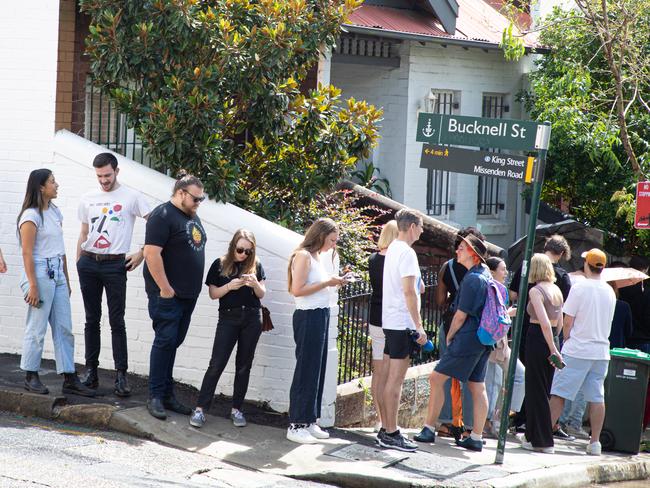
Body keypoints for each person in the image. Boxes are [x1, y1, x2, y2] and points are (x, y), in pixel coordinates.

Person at [77, 152, 151, 396]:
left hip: (115, 264)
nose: (104, 180)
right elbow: (84, 231)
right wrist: (79, 261)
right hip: (88, 262)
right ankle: (91, 372)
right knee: (91, 319)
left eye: (107, 175)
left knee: (117, 320)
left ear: (117, 171)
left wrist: (142, 253)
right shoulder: (88, 198)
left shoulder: (132, 196)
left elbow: (156, 224)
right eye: (99, 176)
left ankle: (121, 375)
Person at [17, 169, 95, 397]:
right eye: (52, 182)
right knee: (37, 327)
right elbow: (27, 253)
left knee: (64, 327)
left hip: (57, 273)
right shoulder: (30, 216)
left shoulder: (54, 212)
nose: (57, 185)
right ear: (41, 187)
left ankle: (69, 376)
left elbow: (60, 250)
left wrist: (67, 279)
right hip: (40, 274)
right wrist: (32, 285)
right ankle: (30, 375)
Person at [414, 233, 491, 452]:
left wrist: (450, 336)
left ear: (473, 255)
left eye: (463, 248)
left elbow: (460, 314)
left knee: (436, 378)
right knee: (477, 386)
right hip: (483, 338)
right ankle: (475, 436)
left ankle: (428, 429)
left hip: (467, 338)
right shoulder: (485, 274)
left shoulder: (472, 279)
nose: (457, 250)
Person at [143, 172, 207, 420]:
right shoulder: (163, 215)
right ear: (181, 193)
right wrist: (165, 288)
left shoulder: (190, 214)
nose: (198, 203)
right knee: (165, 341)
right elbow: (151, 253)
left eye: (201, 199)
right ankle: (155, 396)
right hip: (168, 296)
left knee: (173, 343)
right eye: (196, 198)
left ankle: (167, 395)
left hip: (187, 295)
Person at [190, 229, 266, 429]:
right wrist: (230, 287)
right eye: (240, 250)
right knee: (217, 363)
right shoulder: (220, 264)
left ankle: (237, 409)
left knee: (244, 365)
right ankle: (200, 409)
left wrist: (255, 283)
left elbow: (262, 294)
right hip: (228, 317)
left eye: (248, 251)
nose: (244, 255)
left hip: (252, 317)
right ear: (233, 246)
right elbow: (213, 294)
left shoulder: (256, 264)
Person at [549, 249, 617, 456]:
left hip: (577, 349)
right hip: (601, 351)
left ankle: (542, 436)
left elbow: (568, 321)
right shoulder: (610, 291)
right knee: (597, 397)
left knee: (559, 393)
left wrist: (567, 339)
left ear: (587, 264)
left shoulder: (579, 288)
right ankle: (595, 442)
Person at [286, 218, 347, 444]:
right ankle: (296, 424)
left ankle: (310, 420)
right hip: (308, 315)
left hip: (320, 313)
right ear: (320, 235)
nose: (333, 245)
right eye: (331, 240)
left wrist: (334, 282)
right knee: (306, 369)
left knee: (317, 369)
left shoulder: (317, 257)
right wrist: (327, 283)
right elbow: (297, 289)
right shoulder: (303, 255)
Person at [509, 234, 572, 435]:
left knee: (528, 377)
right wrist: (556, 342)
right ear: (561, 253)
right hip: (551, 334)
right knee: (544, 383)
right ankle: (535, 426)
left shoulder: (526, 268)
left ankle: (524, 421)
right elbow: (563, 313)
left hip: (527, 330)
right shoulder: (561, 279)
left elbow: (513, 295)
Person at [376, 208, 426, 452]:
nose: (423, 231)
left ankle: (386, 428)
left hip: (390, 321)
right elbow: (409, 291)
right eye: (422, 226)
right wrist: (418, 325)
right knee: (395, 381)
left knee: (387, 377)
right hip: (402, 323)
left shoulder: (393, 248)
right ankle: (392, 433)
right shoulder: (407, 252)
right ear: (413, 226)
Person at [434, 227, 485, 439]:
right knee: (474, 382)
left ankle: (446, 421)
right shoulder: (484, 271)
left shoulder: (447, 268)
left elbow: (439, 300)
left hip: (452, 324)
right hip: (476, 330)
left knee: (444, 377)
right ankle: (470, 426)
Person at [520, 253, 564, 454]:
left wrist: (552, 347)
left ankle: (542, 440)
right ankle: (532, 436)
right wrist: (555, 345)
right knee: (543, 389)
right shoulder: (556, 289)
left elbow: (544, 321)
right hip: (551, 338)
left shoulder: (536, 291)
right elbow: (559, 322)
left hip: (538, 338)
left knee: (535, 390)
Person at [483, 256, 525, 438]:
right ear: (492, 272)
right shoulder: (490, 287)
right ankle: (489, 422)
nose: (506, 272)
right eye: (503, 269)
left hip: (501, 344)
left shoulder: (500, 289)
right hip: (493, 343)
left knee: (517, 375)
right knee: (493, 383)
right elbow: (493, 315)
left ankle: (501, 416)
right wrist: (509, 313)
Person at [367, 220, 399, 433]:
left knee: (378, 373)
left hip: (375, 317)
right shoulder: (396, 261)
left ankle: (380, 419)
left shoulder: (373, 259)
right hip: (392, 319)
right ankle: (388, 423)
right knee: (390, 375)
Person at [619, 255, 650, 353]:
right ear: (645, 269)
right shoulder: (646, 291)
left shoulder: (621, 288)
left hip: (624, 337)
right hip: (643, 338)